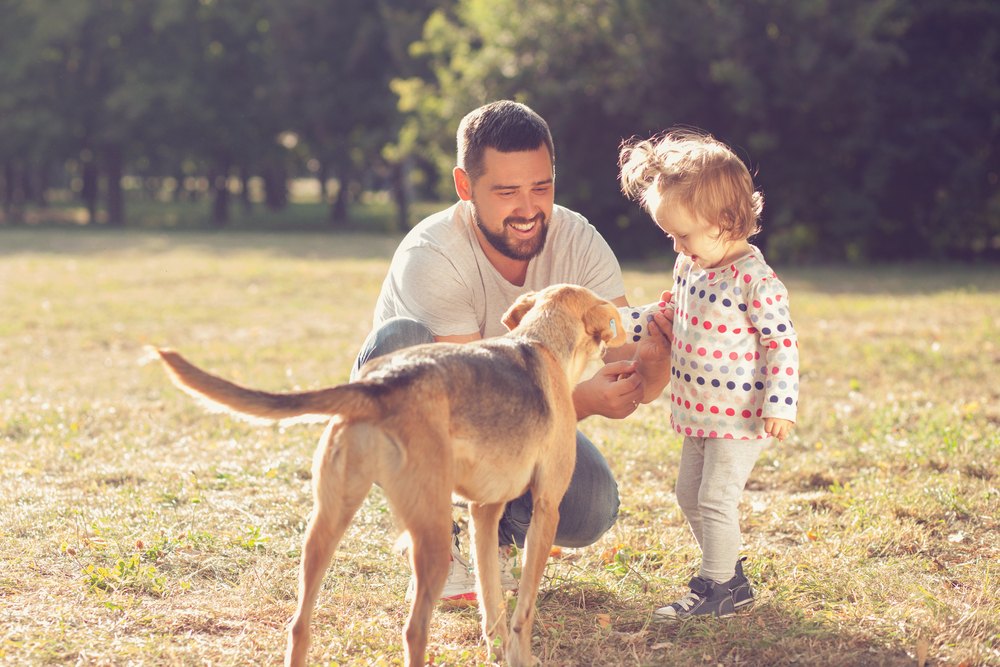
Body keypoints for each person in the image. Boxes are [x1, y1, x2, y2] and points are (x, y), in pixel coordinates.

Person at [352, 100, 674, 606]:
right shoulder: (432, 255)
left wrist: (655, 356)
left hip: (520, 421)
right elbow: (472, 408)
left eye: (541, 187)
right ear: (465, 187)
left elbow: (626, 361)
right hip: (429, 415)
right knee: (401, 337)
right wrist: (579, 401)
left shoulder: (578, 241)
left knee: (592, 507)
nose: (528, 209)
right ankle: (433, 537)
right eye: (506, 192)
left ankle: (497, 531)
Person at [618, 129, 798, 620]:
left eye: (683, 234)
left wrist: (780, 404)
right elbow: (666, 315)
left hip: (740, 416)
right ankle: (729, 572)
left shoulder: (754, 280)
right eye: (670, 236)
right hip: (697, 410)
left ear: (726, 221)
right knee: (688, 495)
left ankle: (719, 588)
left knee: (716, 497)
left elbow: (781, 343)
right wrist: (615, 322)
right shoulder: (690, 266)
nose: (677, 245)